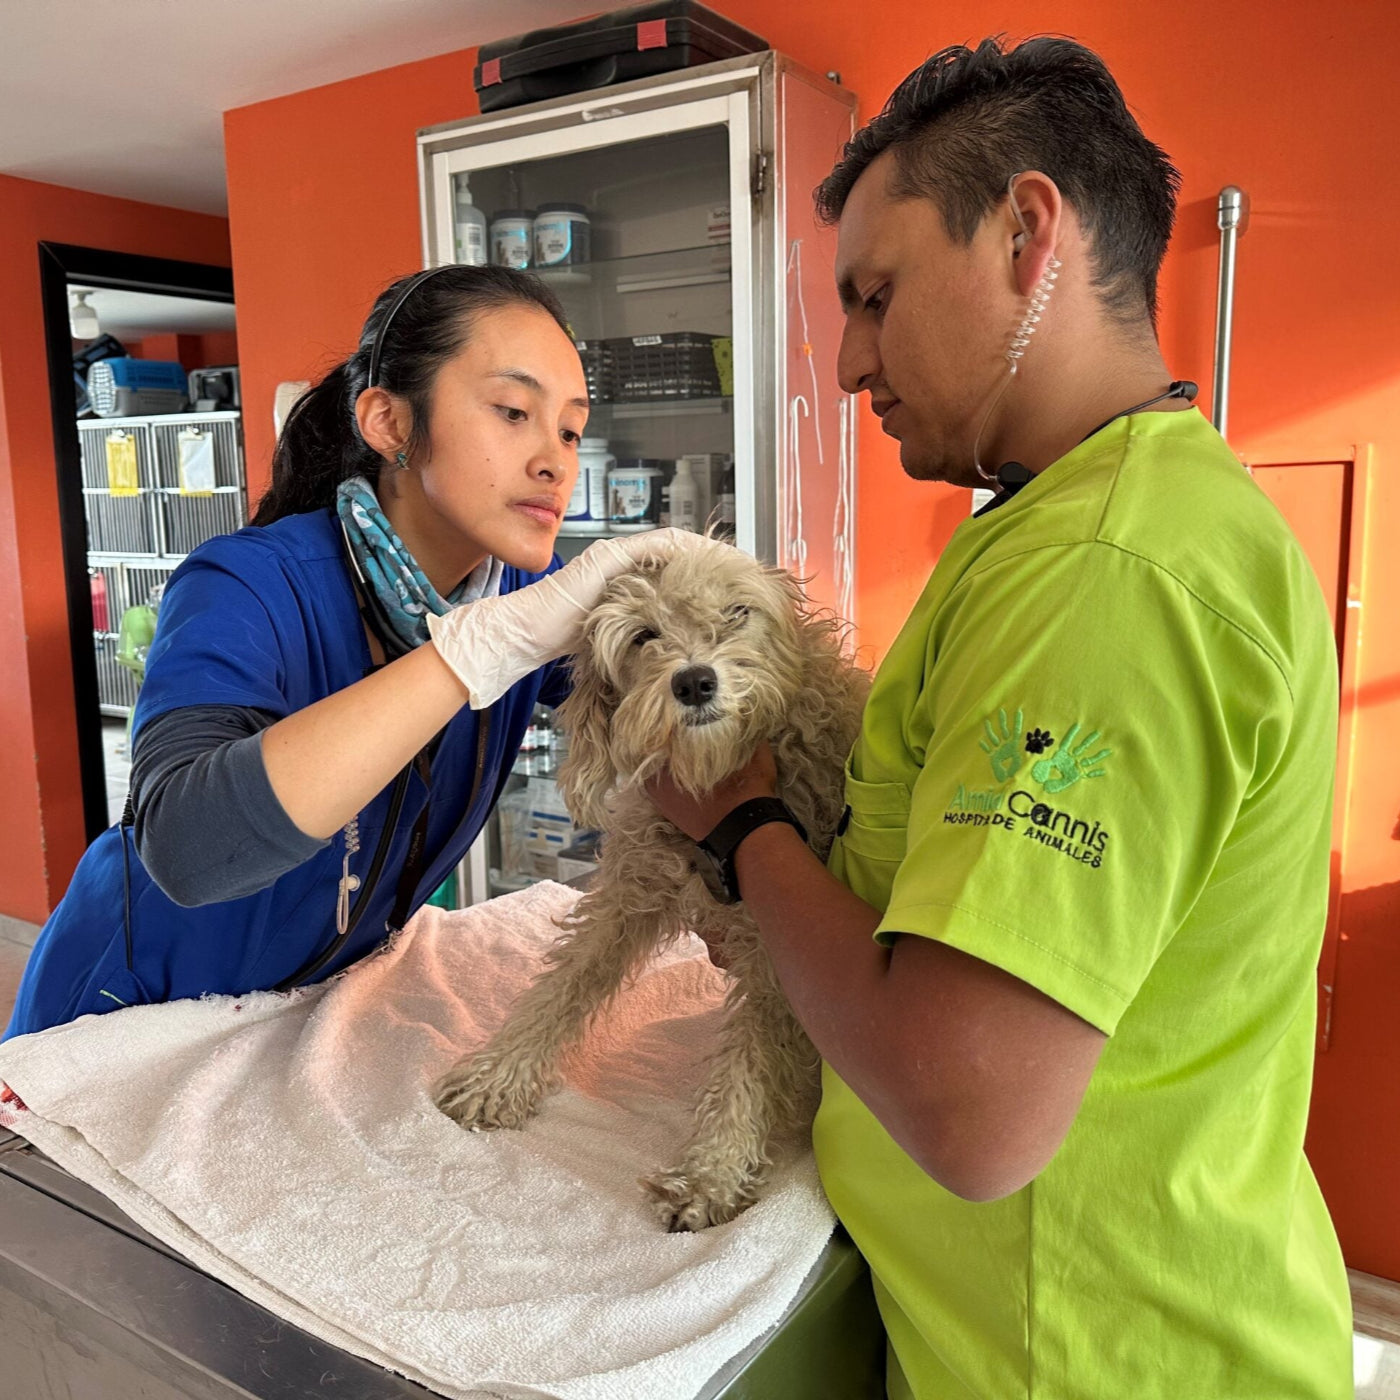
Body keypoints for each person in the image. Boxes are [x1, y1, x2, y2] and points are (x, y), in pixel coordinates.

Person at [649, 36, 1353, 1400]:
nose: (848, 361)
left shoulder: (1103, 576)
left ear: (1028, 234)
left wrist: (742, 826)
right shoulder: (1088, 520)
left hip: (1096, 1360)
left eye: (875, 296)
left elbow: (968, 1109)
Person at [7, 264, 706, 1040]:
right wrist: (479, 649)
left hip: (301, 1014)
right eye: (514, 411)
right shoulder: (247, 585)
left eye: (570, 429)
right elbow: (188, 850)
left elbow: (685, 731)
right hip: (128, 1017)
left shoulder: (519, 609)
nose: (556, 460)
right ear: (390, 423)